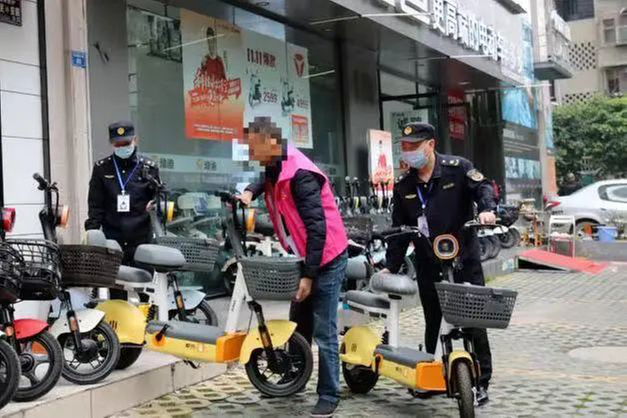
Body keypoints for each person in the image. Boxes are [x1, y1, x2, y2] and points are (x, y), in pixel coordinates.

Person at [238, 117, 348, 418]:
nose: (253, 155)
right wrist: (249, 191)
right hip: (303, 255)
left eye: (256, 149)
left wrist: (309, 276)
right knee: (299, 323)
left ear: (274, 144)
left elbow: (317, 228)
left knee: (324, 329)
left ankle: (329, 394)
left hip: (326, 257)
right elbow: (265, 178)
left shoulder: (301, 175)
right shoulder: (276, 164)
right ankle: (295, 376)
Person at [380, 122, 496, 406]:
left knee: (473, 320)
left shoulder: (457, 168)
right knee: (433, 319)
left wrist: (487, 210)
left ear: (430, 145)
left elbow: (483, 187)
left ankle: (481, 382)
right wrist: (390, 266)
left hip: (463, 259)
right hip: (428, 263)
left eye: (413, 146)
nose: (408, 151)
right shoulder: (404, 185)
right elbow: (400, 230)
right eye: (404, 147)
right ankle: (432, 376)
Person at [85, 121, 159, 268]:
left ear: (135, 140)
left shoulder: (149, 168)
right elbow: (95, 205)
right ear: (112, 144)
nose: (122, 147)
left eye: (126, 143)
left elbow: (158, 199)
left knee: (142, 281)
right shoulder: (102, 168)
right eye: (118, 144)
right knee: (114, 282)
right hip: (112, 243)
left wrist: (155, 206)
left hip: (142, 242)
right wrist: (92, 235)